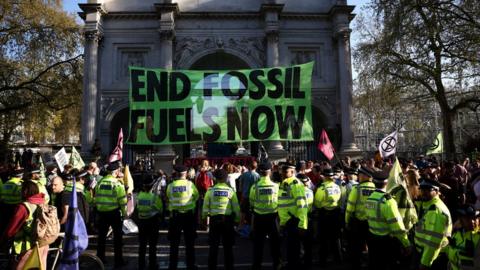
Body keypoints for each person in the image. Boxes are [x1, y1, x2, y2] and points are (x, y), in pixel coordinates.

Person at [365, 171, 411, 270]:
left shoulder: (369, 198)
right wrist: (406, 243)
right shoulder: (388, 201)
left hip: (372, 238)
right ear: (387, 183)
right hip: (386, 242)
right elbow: (396, 226)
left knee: (374, 264)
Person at [0, 180, 48, 270]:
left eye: (21, 189)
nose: (20, 192)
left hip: (26, 246)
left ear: (25, 191)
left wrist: (3, 240)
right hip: (42, 243)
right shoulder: (42, 203)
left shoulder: (23, 207)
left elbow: (12, 229)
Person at [202, 168, 240, 270]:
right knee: (228, 248)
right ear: (226, 178)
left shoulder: (210, 190)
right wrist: (237, 219)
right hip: (227, 221)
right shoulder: (230, 191)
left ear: (215, 178)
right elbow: (236, 207)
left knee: (213, 247)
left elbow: (205, 206)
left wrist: (204, 218)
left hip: (214, 220)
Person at [94, 162, 128, 267]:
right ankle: (118, 261)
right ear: (117, 171)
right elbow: (122, 201)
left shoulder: (100, 183)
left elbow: (96, 198)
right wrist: (125, 213)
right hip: (114, 214)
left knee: (101, 238)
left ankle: (100, 259)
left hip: (102, 214)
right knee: (117, 238)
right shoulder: (117, 184)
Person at [415, 178, 452, 270]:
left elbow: (432, 241)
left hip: (432, 257)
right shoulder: (427, 204)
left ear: (436, 191)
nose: (423, 192)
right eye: (422, 189)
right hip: (425, 252)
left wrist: (425, 262)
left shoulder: (436, 211)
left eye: (428, 190)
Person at [167, 165, 199, 270]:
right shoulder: (190, 185)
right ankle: (191, 265)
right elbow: (197, 196)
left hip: (175, 217)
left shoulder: (171, 186)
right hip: (188, 217)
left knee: (174, 244)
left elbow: (168, 197)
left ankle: (172, 265)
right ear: (185, 174)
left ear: (176, 174)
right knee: (189, 243)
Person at [249, 162, 280, 269]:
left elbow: (252, 202)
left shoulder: (255, 187)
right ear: (270, 172)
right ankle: (277, 264)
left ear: (260, 172)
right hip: (272, 218)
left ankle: (256, 265)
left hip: (259, 218)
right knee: (274, 243)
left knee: (258, 244)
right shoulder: (276, 186)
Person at [278, 162, 308, 269]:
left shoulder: (295, 183)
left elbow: (302, 204)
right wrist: (282, 223)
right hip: (287, 221)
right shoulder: (284, 183)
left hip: (294, 221)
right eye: (282, 171)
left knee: (295, 248)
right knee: (290, 248)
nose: (283, 173)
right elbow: (283, 205)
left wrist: (302, 224)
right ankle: (292, 265)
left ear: (292, 172)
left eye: (286, 172)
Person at [345, 166, 375, 269]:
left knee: (356, 248)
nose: (358, 176)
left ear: (365, 176)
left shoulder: (356, 189)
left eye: (360, 175)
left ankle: (357, 265)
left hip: (358, 223)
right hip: (373, 223)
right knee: (372, 247)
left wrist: (347, 221)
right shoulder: (376, 188)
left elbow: (350, 208)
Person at [314, 168, 342, 266]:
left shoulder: (322, 187)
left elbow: (317, 202)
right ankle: (338, 259)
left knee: (323, 239)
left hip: (324, 214)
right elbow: (339, 199)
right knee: (336, 238)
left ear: (325, 177)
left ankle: (323, 260)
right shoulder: (337, 186)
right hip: (335, 213)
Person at [136, 176, 163, 270]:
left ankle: (141, 264)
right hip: (152, 222)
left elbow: (137, 209)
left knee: (142, 245)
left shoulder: (139, 196)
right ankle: (152, 264)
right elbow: (160, 210)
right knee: (152, 245)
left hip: (142, 222)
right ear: (152, 186)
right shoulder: (155, 197)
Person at [446, 204, 480, 270]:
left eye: (474, 218)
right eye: (468, 218)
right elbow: (451, 258)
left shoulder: (478, 238)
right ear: (460, 220)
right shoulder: (456, 234)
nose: (472, 221)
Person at [237, 160, 259, 237]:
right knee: (253, 213)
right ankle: (252, 228)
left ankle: (240, 227)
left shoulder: (244, 175)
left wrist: (241, 192)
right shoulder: (258, 176)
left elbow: (240, 187)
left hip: (245, 196)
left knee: (243, 212)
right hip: (254, 197)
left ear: (249, 166)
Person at [0, 169, 23, 236]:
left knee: (6, 223)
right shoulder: (18, 184)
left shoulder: (6, 183)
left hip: (6, 205)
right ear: (20, 176)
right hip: (16, 206)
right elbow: (21, 195)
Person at [298, 173, 314, 267]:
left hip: (300, 218)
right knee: (308, 242)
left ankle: (301, 259)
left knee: (300, 241)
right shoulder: (310, 191)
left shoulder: (298, 192)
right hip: (309, 218)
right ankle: (308, 261)